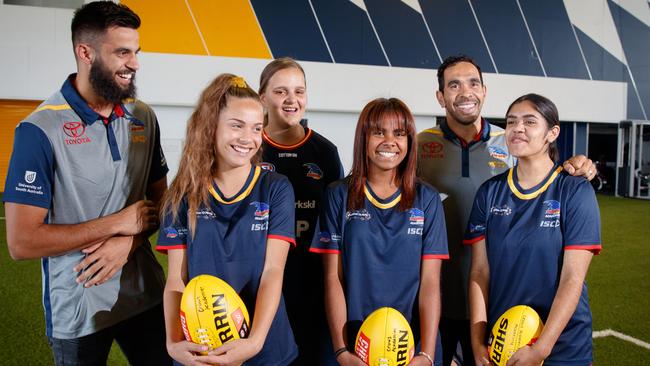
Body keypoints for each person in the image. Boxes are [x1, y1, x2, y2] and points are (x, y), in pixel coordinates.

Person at [3, 2, 171, 365]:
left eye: (136, 52)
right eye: (122, 52)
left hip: (145, 295)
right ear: (85, 52)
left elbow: (163, 205)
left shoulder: (143, 117)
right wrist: (116, 224)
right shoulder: (39, 130)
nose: (135, 63)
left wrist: (129, 241)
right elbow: (21, 241)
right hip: (77, 311)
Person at [416, 55, 596, 366]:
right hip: (438, 299)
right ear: (440, 96)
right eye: (454, 84)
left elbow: (544, 168)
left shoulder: (509, 140)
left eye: (473, 83)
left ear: (484, 91)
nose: (465, 92)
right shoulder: (418, 145)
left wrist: (579, 163)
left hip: (500, 308)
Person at [157, 74, 298, 365]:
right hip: (201, 345)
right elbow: (176, 279)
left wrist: (255, 342)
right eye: (237, 126)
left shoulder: (276, 188)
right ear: (210, 128)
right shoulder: (182, 194)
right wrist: (173, 342)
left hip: (264, 347)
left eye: (257, 128)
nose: (248, 138)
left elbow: (273, 271)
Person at [311, 98, 449, 366]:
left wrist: (427, 354)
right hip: (353, 344)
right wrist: (341, 351)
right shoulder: (339, 194)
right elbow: (332, 277)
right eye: (378, 132)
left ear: (409, 141)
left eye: (399, 133)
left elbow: (431, 283)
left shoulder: (428, 199)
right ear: (364, 138)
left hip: (411, 347)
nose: (389, 141)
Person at [465, 93, 601, 365]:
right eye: (511, 121)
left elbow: (572, 277)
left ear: (552, 133)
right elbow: (480, 273)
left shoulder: (574, 190)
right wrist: (478, 342)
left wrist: (541, 348)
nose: (518, 128)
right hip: (504, 342)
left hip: (563, 347)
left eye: (530, 121)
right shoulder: (489, 193)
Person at [258, 57, 344, 364]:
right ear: (262, 97)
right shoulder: (249, 148)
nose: (292, 99)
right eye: (281, 91)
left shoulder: (324, 151)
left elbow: (338, 222)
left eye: (299, 91)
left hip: (312, 282)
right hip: (260, 281)